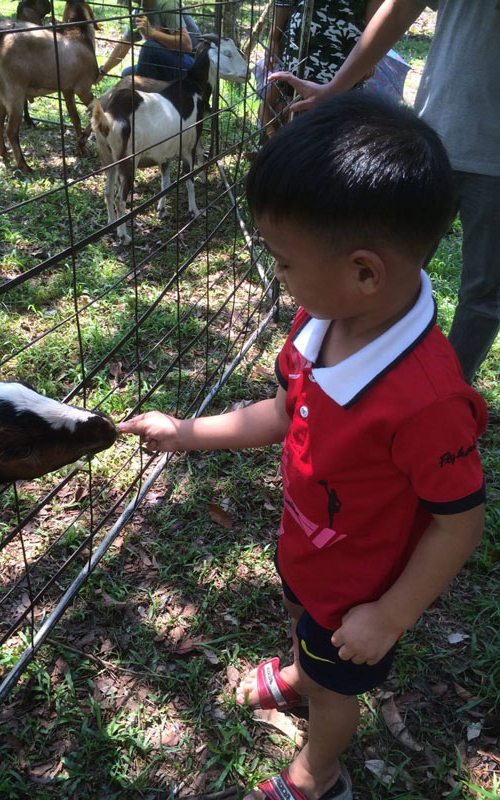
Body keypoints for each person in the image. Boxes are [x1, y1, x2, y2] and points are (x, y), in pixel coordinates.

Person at [118, 93, 487, 800]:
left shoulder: (429, 402)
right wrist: (187, 433)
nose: (278, 276)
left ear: (364, 271)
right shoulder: (322, 321)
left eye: (283, 261)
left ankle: (320, 771)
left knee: (335, 691)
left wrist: (390, 616)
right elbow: (286, 412)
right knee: (302, 628)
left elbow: (457, 521)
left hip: (359, 593)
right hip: (308, 549)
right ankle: (298, 672)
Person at [268, 0, 500, 382]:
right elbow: (398, 9)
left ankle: (447, 393)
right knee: (372, 267)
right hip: (430, 144)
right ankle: (348, 373)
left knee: (482, 292)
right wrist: (335, 88)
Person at [256, 0, 383, 142]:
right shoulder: (281, 90)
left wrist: (370, 54)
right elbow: (265, 106)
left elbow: (380, 9)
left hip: (347, 49)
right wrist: (273, 38)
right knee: (294, 100)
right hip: (300, 46)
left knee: (337, 113)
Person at [98, 0, 195, 82]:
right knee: (127, 75)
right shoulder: (139, 12)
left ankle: (145, 100)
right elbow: (124, 44)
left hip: (191, 65)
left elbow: (187, 45)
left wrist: (152, 33)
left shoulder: (166, 4)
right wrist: (103, 71)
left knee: (149, 49)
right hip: (168, 63)